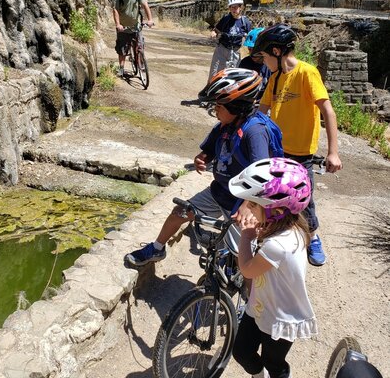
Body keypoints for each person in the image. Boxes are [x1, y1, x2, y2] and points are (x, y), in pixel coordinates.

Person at [124, 68, 278, 267]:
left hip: (242, 203)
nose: (215, 110)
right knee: (179, 212)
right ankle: (157, 248)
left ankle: (249, 293)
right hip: (219, 192)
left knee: (243, 259)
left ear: (236, 106)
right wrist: (202, 158)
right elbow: (210, 150)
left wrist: (248, 206)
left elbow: (263, 173)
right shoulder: (225, 125)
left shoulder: (255, 132)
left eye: (219, 106)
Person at [228, 157, 318, 378]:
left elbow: (246, 269)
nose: (247, 209)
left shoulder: (278, 245)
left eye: (253, 204)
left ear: (275, 211)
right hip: (260, 305)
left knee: (274, 361)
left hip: (281, 317)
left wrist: (246, 236)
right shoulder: (284, 227)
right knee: (242, 351)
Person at [254, 24, 342, 266]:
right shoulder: (274, 78)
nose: (263, 62)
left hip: (301, 153)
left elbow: (328, 111)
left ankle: (313, 237)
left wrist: (333, 152)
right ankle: (276, 235)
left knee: (304, 201)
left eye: (265, 57)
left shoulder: (306, 73)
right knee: (272, 195)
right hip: (277, 151)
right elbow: (261, 113)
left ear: (277, 51)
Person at [112, 0, 154, 77]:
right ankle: (121, 69)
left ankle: (140, 61)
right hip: (123, 27)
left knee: (140, 45)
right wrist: (118, 24)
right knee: (122, 49)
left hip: (136, 26)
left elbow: (145, 5)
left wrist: (150, 19)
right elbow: (115, 10)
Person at [208, 0, 251, 82]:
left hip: (236, 51)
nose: (234, 10)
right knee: (215, 72)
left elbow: (249, 36)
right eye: (232, 7)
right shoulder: (225, 19)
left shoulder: (245, 22)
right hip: (222, 49)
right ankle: (209, 91)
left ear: (240, 7)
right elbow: (217, 30)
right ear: (229, 8)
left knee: (233, 75)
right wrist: (213, 33)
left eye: (236, 7)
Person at [239, 27, 270, 100]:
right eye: (249, 49)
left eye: (255, 50)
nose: (252, 54)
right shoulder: (245, 63)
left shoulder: (270, 66)